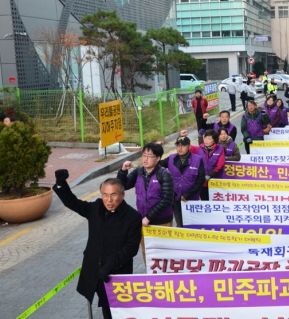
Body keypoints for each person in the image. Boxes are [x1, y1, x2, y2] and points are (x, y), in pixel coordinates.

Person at [53, 171, 141, 319]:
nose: (109, 200)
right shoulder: (96, 208)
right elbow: (73, 203)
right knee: (101, 305)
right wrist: (62, 184)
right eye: (105, 195)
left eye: (113, 195)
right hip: (94, 270)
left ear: (122, 195)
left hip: (117, 274)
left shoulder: (133, 217)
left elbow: (131, 249)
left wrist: (110, 265)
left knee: (116, 310)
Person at [117, 143, 175, 262]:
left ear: (158, 158)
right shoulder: (139, 172)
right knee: (147, 254)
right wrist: (123, 171)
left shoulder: (164, 174)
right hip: (144, 223)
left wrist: (149, 217)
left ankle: (165, 279)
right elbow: (123, 186)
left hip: (162, 222)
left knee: (163, 255)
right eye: (144, 155)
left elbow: (166, 200)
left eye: (149, 156)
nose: (145, 159)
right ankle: (150, 278)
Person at [159, 136, 205, 227]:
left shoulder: (197, 160)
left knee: (192, 225)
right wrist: (157, 150)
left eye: (183, 146)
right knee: (180, 225)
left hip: (191, 199)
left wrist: (188, 194)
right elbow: (157, 164)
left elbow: (200, 180)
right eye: (178, 146)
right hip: (175, 198)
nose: (180, 148)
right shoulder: (171, 158)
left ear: (189, 146)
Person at [180, 129, 225, 201]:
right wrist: (183, 137)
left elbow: (220, 163)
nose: (206, 140)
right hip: (203, 182)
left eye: (209, 139)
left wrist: (211, 174)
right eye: (205, 138)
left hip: (215, 180)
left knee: (217, 200)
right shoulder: (198, 148)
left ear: (214, 140)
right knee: (205, 200)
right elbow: (187, 147)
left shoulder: (220, 148)